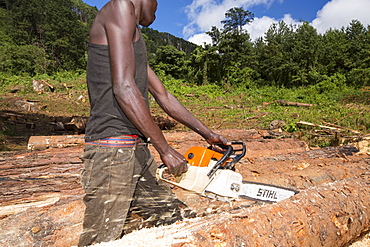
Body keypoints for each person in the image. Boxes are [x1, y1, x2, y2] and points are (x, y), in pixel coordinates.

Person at [78, 0, 230, 245]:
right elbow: (124, 89)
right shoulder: (120, 7)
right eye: (157, 7)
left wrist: (207, 134)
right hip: (112, 152)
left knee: (177, 221)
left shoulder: (132, 38)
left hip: (137, 153)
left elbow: (164, 97)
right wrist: (166, 149)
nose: (156, 16)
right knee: (101, 240)